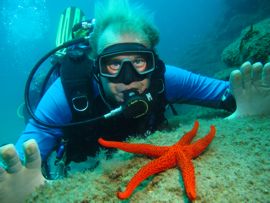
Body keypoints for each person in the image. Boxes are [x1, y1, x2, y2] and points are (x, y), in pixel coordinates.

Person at [1, 0, 270, 202]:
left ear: (152, 62)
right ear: (97, 67)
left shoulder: (164, 77)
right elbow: (22, 157)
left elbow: (228, 90)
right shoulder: (68, 93)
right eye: (114, 64)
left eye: (139, 61)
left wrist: (245, 102)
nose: (128, 78)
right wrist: (23, 189)